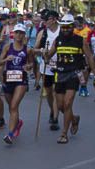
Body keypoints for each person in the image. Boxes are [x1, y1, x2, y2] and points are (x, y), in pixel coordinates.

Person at [45, 14, 86, 144]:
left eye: (68, 27)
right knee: (61, 106)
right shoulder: (58, 40)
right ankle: (73, 119)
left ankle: (64, 133)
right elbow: (49, 55)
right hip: (60, 74)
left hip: (74, 74)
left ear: (73, 27)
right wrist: (44, 54)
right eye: (63, 27)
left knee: (68, 104)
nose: (65, 30)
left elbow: (89, 57)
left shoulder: (80, 40)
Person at [0, 24, 33, 143]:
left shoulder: (28, 49)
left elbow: (31, 63)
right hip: (9, 78)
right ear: (13, 34)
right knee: (11, 106)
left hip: (21, 79)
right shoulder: (8, 47)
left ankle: (10, 134)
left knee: (13, 106)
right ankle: (17, 122)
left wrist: (28, 66)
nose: (18, 35)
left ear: (24, 35)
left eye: (21, 33)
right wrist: (6, 59)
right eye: (17, 32)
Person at [36, 10, 62, 126]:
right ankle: (52, 110)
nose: (45, 22)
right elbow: (34, 49)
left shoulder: (63, 30)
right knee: (49, 92)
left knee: (57, 92)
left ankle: (55, 118)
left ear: (55, 19)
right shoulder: (43, 33)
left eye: (47, 19)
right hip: (46, 67)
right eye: (44, 20)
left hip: (60, 66)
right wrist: (42, 51)